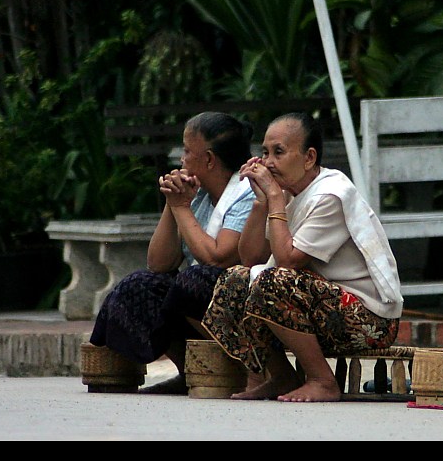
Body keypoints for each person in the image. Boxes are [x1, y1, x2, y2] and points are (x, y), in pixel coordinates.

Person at [202, 112, 403, 402]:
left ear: (309, 158)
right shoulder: (288, 193)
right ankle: (283, 377)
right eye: (265, 153)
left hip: (368, 319)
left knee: (274, 281)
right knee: (234, 280)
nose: (268, 162)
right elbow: (250, 258)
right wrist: (261, 203)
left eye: (279, 153)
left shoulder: (330, 194)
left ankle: (323, 381)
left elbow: (287, 262)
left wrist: (273, 197)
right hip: (322, 305)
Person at [89, 111, 256, 394]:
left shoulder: (247, 193)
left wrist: (181, 208)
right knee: (140, 285)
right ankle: (189, 371)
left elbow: (218, 259)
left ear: (209, 160)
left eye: (187, 152)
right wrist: (172, 202)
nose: (181, 160)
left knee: (192, 281)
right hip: (198, 302)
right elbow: (159, 263)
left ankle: (245, 371)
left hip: (241, 304)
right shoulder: (198, 195)